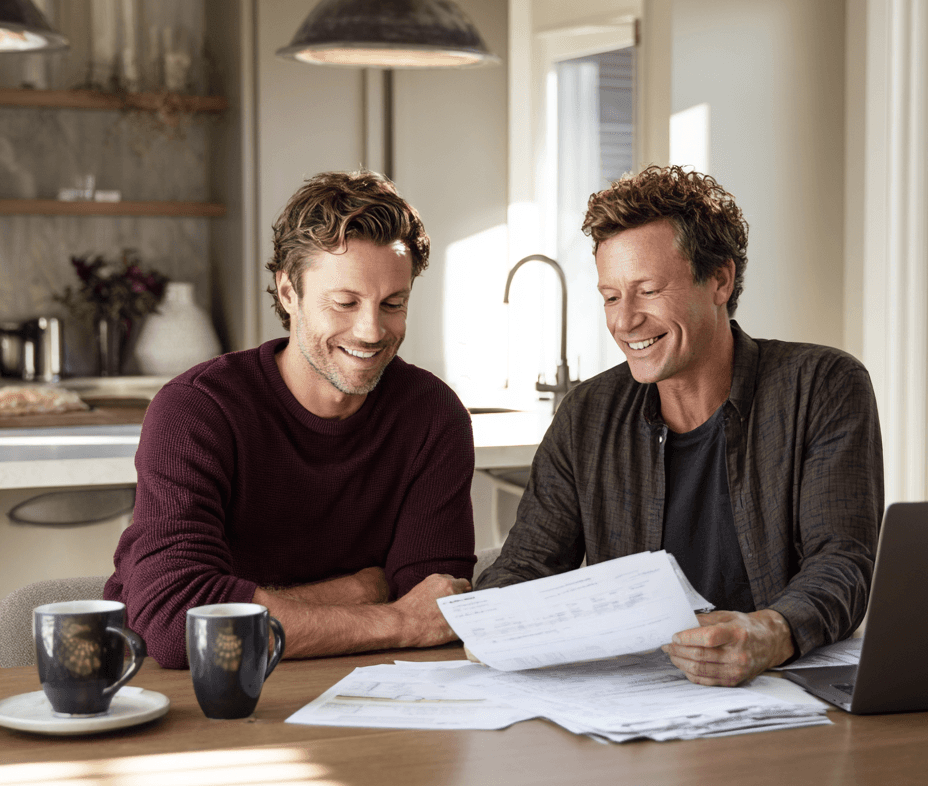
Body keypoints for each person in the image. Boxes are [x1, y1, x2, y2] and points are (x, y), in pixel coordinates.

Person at [477, 166, 883, 686]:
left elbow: (842, 565)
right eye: (610, 296)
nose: (624, 321)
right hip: (636, 704)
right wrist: (488, 620)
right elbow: (528, 565)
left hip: (781, 689)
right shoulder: (587, 414)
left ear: (720, 279)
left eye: (647, 290)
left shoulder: (823, 385)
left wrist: (768, 633)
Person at [106, 171, 474, 668]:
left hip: (366, 691)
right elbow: (179, 624)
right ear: (287, 292)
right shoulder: (196, 411)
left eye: (393, 304)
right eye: (344, 302)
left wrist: (249, 603)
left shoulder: (432, 416)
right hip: (200, 694)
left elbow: (437, 608)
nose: (370, 331)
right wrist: (376, 600)